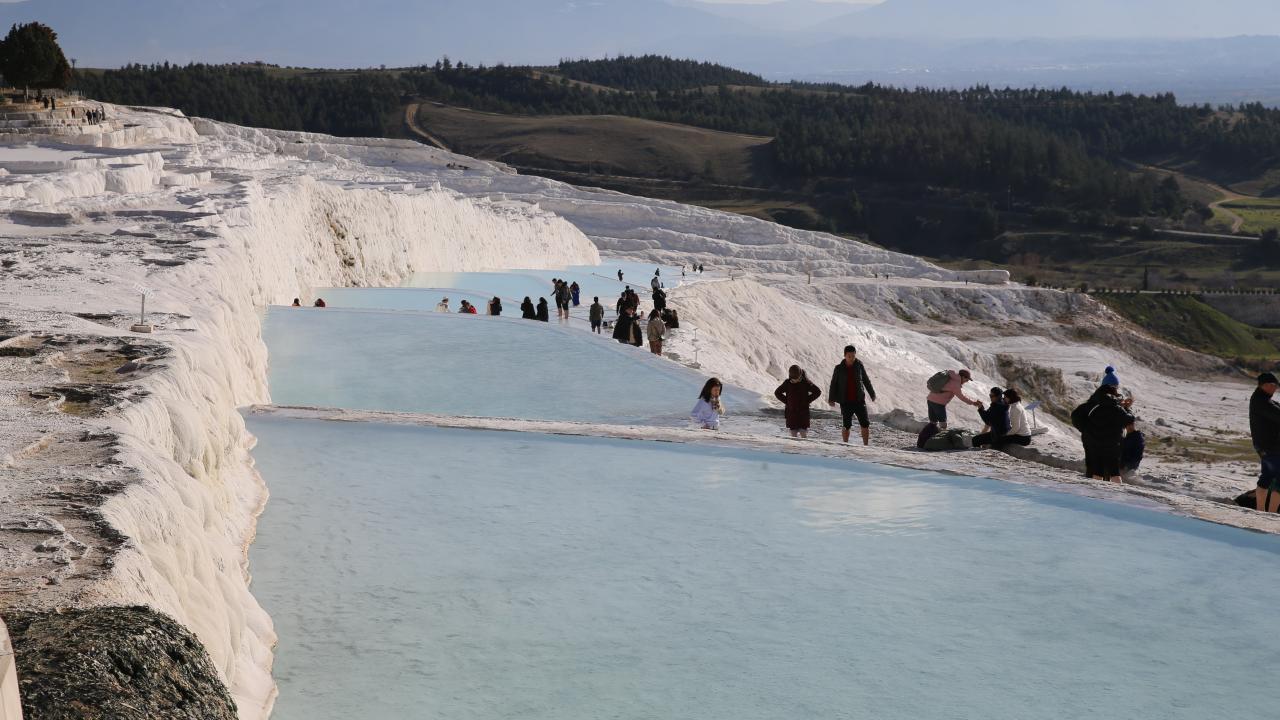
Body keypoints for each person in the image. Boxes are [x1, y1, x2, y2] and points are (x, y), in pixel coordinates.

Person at [827, 345, 877, 445]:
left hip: (859, 400)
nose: (851, 358)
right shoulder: (838, 368)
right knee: (846, 425)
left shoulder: (859, 365)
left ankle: (866, 446)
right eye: (849, 356)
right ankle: (845, 444)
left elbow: (866, 380)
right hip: (845, 401)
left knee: (865, 423)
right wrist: (831, 398)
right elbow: (833, 384)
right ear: (845, 355)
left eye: (853, 356)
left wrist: (872, 393)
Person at [1083, 384, 1133, 483]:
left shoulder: (1096, 408)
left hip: (1096, 444)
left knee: (1097, 471)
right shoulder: (1117, 409)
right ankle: (1115, 495)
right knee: (1114, 472)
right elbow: (1129, 419)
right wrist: (1127, 408)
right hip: (1113, 445)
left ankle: (1094, 494)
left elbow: (1088, 424)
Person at [1251, 372, 1280, 512]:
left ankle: (1260, 511)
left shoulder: (1261, 399)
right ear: (1265, 385)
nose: (1275, 389)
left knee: (1266, 478)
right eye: (1273, 386)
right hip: (1272, 448)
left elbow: (1276, 408)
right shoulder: (1261, 402)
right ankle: (1272, 514)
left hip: (1265, 447)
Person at [775, 365, 822, 438]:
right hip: (791, 412)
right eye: (793, 379)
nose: (795, 380)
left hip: (803, 412)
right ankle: (794, 448)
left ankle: (804, 448)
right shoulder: (787, 383)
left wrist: (807, 400)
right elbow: (777, 393)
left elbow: (817, 392)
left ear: (800, 375)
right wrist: (787, 401)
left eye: (797, 378)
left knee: (803, 433)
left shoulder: (806, 382)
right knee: (793, 434)